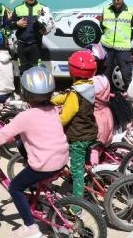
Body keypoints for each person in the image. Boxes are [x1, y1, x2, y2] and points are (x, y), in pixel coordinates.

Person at [0, 67, 69, 238]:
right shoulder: (54, 109)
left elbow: (0, 136)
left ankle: (30, 227)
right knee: (22, 146)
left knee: (15, 187)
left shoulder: (25, 116)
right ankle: (40, 197)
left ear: (25, 93)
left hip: (44, 164)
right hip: (61, 158)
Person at [52, 50, 98, 205]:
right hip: (90, 133)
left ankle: (77, 207)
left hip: (79, 137)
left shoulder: (75, 94)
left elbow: (65, 117)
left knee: (77, 173)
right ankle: (89, 183)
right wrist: (51, 100)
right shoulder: (88, 87)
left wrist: (50, 124)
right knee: (83, 165)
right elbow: (66, 96)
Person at [100, 0, 133, 93]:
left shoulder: (131, 11)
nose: (116, 2)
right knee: (105, 74)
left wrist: (128, 38)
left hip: (123, 48)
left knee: (126, 74)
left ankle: (131, 99)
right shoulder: (106, 9)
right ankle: (105, 98)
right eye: (114, 0)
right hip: (107, 47)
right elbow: (102, 26)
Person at [10, 0, 49, 75]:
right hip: (22, 45)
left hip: (36, 45)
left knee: (37, 71)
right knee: (23, 72)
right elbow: (10, 25)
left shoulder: (43, 8)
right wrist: (17, 23)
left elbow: (49, 24)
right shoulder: (18, 9)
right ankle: (23, 89)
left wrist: (45, 29)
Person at [86, 43, 114, 147]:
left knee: (94, 148)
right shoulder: (104, 78)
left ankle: (93, 164)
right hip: (107, 115)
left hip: (96, 118)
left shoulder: (91, 82)